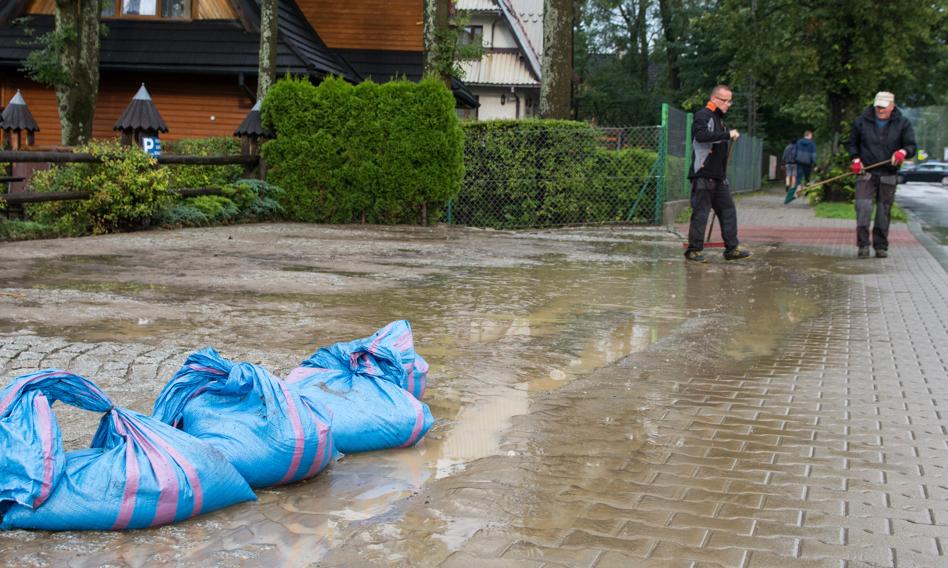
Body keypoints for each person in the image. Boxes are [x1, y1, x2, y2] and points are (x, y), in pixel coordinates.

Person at [845, 91, 916, 258]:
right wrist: (855, 159)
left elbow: (911, 146)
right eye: (878, 106)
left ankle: (880, 246)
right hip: (866, 172)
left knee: (883, 211)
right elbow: (852, 144)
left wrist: (902, 152)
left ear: (892, 106)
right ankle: (863, 245)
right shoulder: (861, 121)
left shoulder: (903, 124)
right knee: (863, 208)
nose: (880, 109)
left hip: (889, 173)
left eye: (884, 107)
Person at [684, 84, 751, 262]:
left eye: (730, 101)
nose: (728, 104)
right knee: (701, 213)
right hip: (703, 174)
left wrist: (726, 134)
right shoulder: (703, 115)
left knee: (728, 210)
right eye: (725, 100)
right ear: (714, 99)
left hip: (719, 177)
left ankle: (731, 249)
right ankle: (693, 251)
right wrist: (727, 135)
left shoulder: (720, 120)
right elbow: (701, 136)